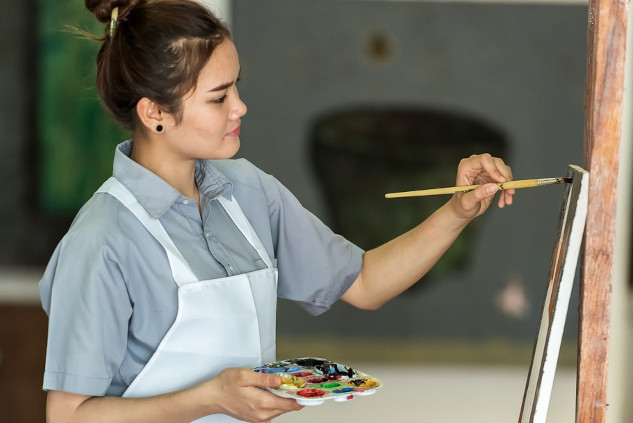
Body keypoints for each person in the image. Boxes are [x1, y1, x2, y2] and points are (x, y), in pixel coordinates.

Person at [39, 0, 515, 422]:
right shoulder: (102, 240)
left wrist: (457, 211)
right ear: (154, 113)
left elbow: (366, 283)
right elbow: (70, 416)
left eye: (236, 88)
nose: (240, 107)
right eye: (219, 97)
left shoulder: (248, 191)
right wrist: (210, 398)